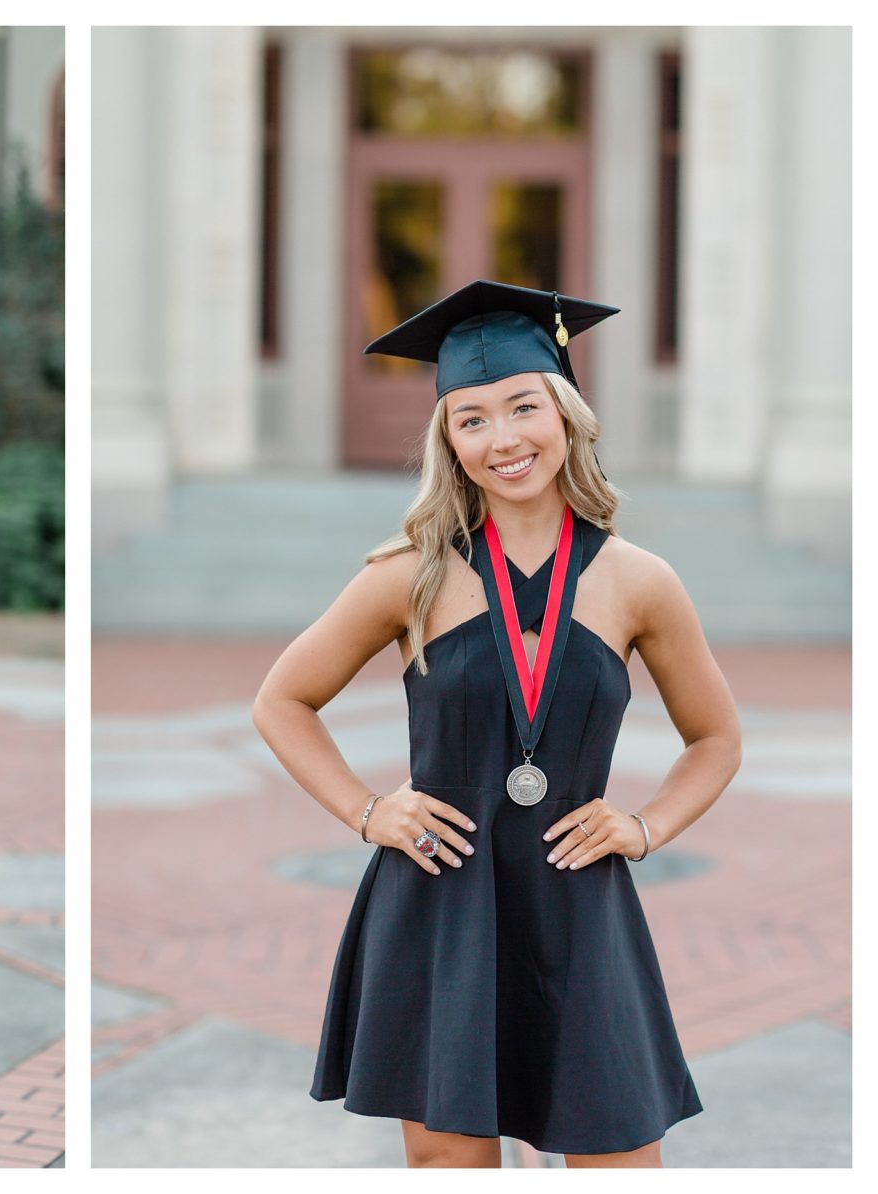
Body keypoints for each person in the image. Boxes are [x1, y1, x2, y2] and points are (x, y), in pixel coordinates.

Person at [253, 281, 741, 1168]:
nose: (503, 438)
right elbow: (281, 701)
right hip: (440, 901)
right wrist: (369, 811)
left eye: (523, 407)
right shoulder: (408, 575)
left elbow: (716, 739)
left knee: (619, 1163)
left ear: (566, 415)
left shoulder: (640, 582)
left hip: (578, 904)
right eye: (471, 419)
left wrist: (644, 827)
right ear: (449, 440)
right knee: (450, 1163)